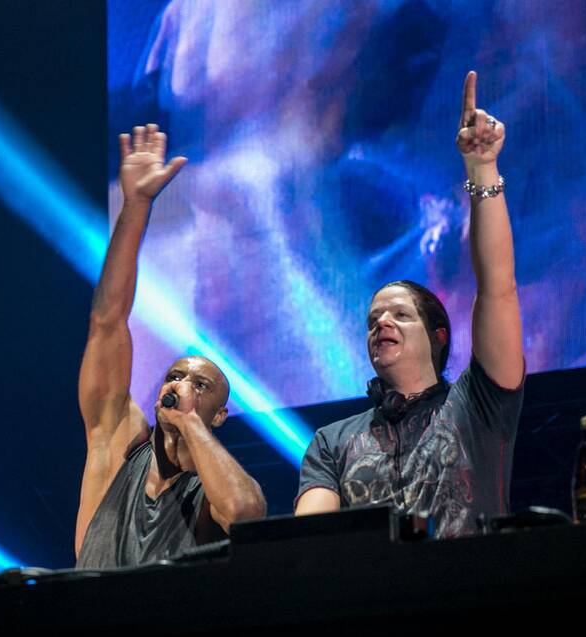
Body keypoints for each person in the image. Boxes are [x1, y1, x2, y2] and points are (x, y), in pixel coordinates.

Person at [295, 72, 525, 538]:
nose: (381, 322)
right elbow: (308, 542)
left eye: (400, 314)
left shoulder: (478, 403)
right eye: (373, 320)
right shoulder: (332, 442)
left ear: (439, 336)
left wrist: (482, 169)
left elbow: (497, 287)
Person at [75, 124, 266, 568]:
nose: (181, 385)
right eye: (175, 376)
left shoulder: (215, 487)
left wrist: (190, 422)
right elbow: (107, 322)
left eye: (200, 385)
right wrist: (136, 206)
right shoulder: (118, 443)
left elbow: (244, 513)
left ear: (220, 415)